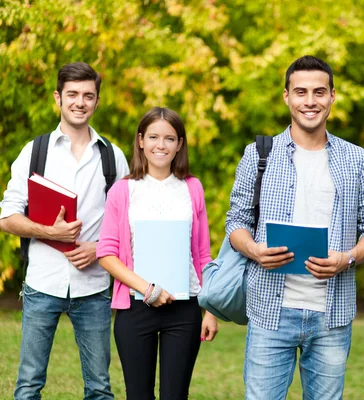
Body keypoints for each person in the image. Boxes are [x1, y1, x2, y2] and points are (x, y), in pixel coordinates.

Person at [225, 55, 364, 399]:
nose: (309, 101)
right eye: (300, 92)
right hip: (270, 310)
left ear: (332, 96)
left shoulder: (357, 159)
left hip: (332, 314)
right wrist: (254, 250)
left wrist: (347, 258)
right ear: (287, 96)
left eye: (319, 92)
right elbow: (236, 222)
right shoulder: (258, 155)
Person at [0, 62, 129, 399]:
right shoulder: (35, 151)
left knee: (100, 388)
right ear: (58, 97)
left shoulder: (113, 158)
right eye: (72, 94)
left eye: (88, 95)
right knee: (28, 386)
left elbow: (129, 227)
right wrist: (49, 231)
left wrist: (99, 248)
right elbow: (7, 216)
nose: (80, 102)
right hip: (42, 282)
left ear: (97, 101)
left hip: (94, 288)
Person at [96, 107, 218, 399]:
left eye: (169, 138)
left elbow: (203, 255)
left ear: (180, 144)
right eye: (153, 137)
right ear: (140, 141)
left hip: (185, 308)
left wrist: (212, 309)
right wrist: (148, 289)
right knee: (138, 395)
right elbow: (106, 253)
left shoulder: (193, 188)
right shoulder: (123, 191)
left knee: (175, 395)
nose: (160, 145)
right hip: (136, 307)